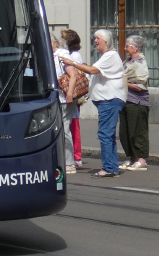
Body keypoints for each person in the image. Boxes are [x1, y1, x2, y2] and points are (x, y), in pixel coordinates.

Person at [65, 29, 127, 177]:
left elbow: (93, 70)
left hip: (109, 100)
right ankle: (111, 166)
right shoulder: (107, 56)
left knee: (105, 134)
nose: (95, 41)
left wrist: (72, 63)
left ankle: (109, 168)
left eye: (97, 38)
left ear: (105, 40)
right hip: (108, 100)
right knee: (108, 134)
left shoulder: (110, 55)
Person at [120, 34, 150, 170]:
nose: (125, 49)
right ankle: (132, 158)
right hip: (126, 100)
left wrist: (123, 82)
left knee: (138, 131)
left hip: (137, 102)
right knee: (125, 132)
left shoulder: (140, 63)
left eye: (127, 46)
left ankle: (141, 160)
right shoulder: (128, 62)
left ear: (136, 47)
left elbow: (140, 86)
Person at [51, 32, 76, 174]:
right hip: (55, 98)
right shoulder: (50, 56)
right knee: (58, 129)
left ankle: (70, 162)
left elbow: (72, 75)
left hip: (65, 97)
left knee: (65, 129)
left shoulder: (63, 55)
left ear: (53, 42)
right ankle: (60, 160)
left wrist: (70, 94)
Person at [61, 29, 86, 168]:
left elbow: (76, 74)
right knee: (70, 124)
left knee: (73, 125)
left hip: (73, 93)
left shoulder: (74, 56)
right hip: (70, 94)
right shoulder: (71, 54)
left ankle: (76, 156)